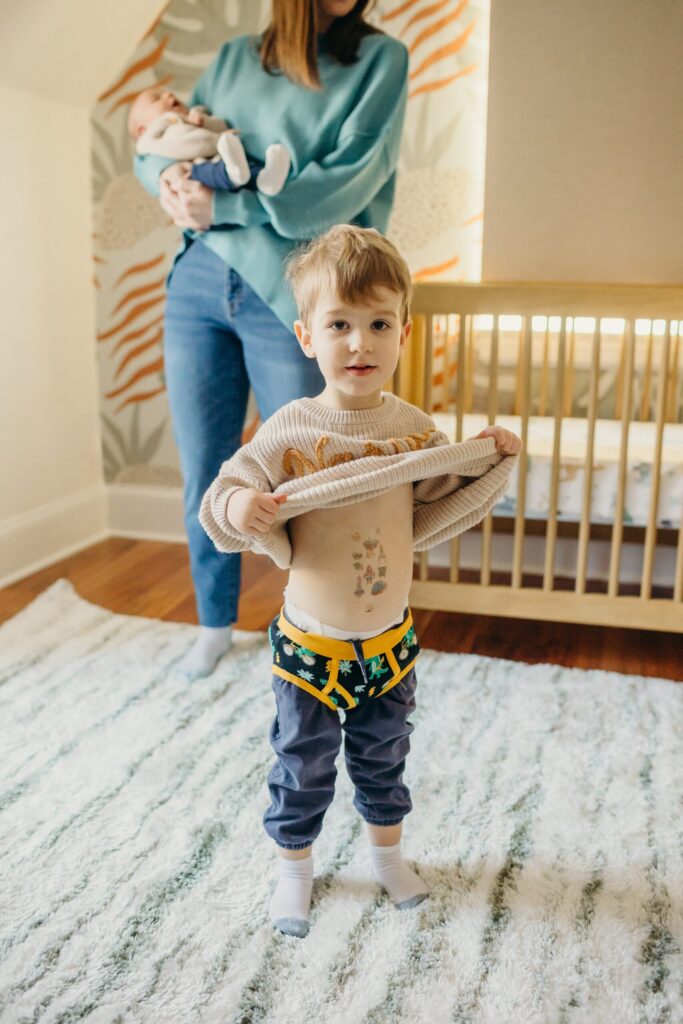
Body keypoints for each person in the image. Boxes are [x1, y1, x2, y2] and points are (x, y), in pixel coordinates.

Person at [199, 224, 522, 938]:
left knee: (384, 760)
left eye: (378, 324)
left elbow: (440, 487)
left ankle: (386, 855)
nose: (359, 343)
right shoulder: (291, 428)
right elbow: (230, 484)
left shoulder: (411, 430)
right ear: (306, 336)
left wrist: (488, 454)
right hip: (312, 649)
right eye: (339, 324)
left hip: (386, 644)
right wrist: (240, 505)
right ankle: (293, 872)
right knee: (302, 766)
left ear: (403, 332)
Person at [133, 0, 410, 680]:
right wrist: (166, 180)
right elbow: (162, 140)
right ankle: (213, 624)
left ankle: (326, 625)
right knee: (206, 465)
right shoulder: (231, 60)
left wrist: (227, 205)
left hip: (294, 291)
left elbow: (351, 180)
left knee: (311, 472)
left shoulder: (378, 60)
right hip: (197, 280)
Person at [128, 86, 291, 197]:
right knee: (208, 170)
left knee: (242, 162)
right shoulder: (152, 138)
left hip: (223, 156)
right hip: (198, 172)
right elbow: (179, 147)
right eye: (156, 98)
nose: (168, 95)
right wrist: (175, 118)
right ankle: (233, 175)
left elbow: (221, 126)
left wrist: (202, 122)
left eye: (166, 92)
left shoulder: (196, 113)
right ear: (142, 130)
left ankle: (265, 179)